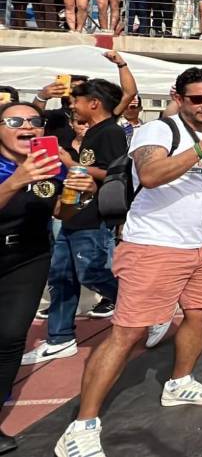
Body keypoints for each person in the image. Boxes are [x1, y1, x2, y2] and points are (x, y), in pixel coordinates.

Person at [54, 67, 202, 457]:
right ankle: (82, 425)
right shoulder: (161, 131)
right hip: (154, 248)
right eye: (198, 98)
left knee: (200, 314)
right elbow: (152, 173)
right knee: (128, 332)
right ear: (179, 97)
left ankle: (180, 382)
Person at [0, 102, 89, 454]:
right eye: (15, 121)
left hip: (28, 259)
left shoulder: (49, 165)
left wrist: (77, 193)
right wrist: (16, 181)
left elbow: (60, 211)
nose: (28, 126)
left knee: (9, 339)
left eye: (35, 121)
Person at [21, 78, 127, 367]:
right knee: (61, 277)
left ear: (93, 103)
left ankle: (147, 310)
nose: (73, 107)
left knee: (92, 273)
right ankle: (59, 337)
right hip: (73, 213)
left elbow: (115, 175)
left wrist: (68, 161)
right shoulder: (93, 132)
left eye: (77, 101)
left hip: (93, 216)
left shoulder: (111, 133)